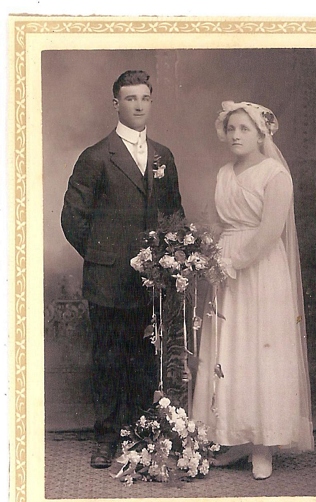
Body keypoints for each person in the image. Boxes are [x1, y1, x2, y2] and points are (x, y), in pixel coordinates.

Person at [61, 70, 184, 468]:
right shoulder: (97, 156)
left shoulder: (163, 155)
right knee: (109, 359)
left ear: (151, 102)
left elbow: (174, 212)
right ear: (116, 104)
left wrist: (166, 257)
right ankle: (106, 438)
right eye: (130, 98)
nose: (138, 105)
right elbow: (72, 218)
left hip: (151, 281)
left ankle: (140, 434)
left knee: (145, 358)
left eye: (144, 98)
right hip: (109, 280)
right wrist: (104, 256)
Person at [192, 101, 314, 480]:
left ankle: (263, 445)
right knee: (230, 349)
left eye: (244, 129)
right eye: (231, 129)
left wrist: (234, 262)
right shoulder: (224, 172)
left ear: (262, 133)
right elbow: (215, 220)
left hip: (259, 269)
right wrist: (207, 255)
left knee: (261, 350)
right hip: (225, 268)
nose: (235, 135)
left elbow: (269, 231)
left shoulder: (275, 174)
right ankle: (235, 439)